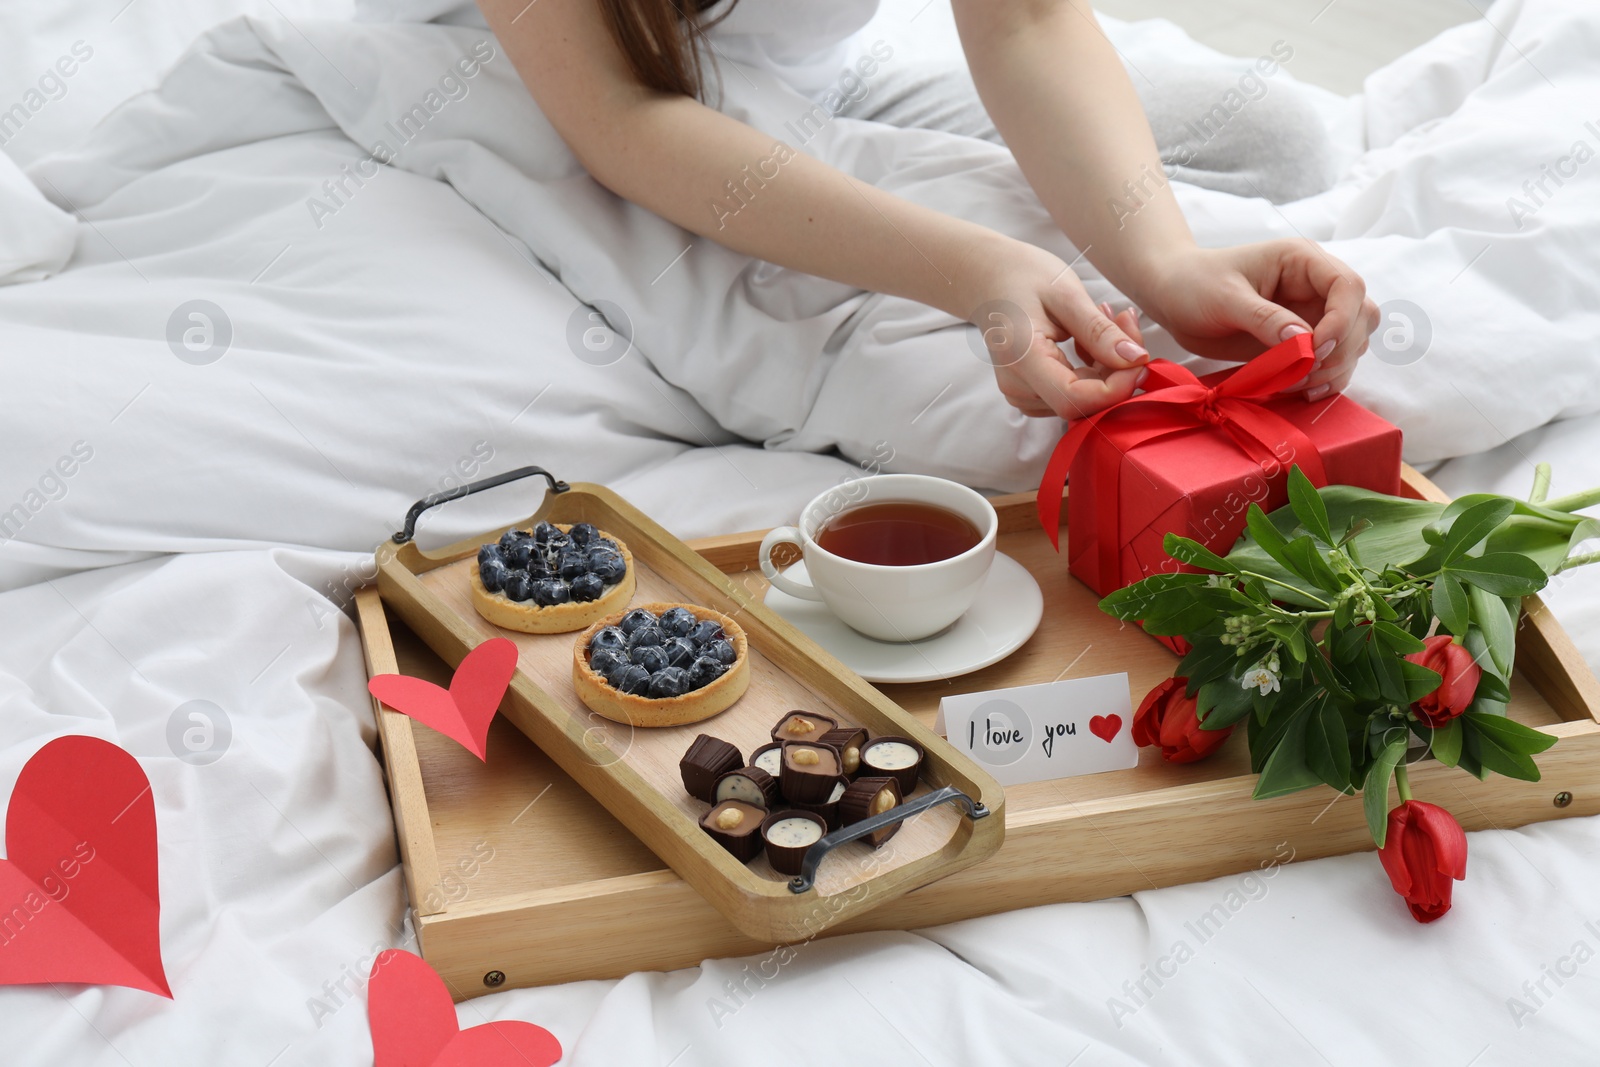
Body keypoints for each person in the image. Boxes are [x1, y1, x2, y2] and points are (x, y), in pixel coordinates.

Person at [477, 0, 1379, 422]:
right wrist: (970, 271)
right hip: (528, 90)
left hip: (812, 76)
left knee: (1277, 142)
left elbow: (1023, 20)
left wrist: (1167, 263)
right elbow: (621, 117)